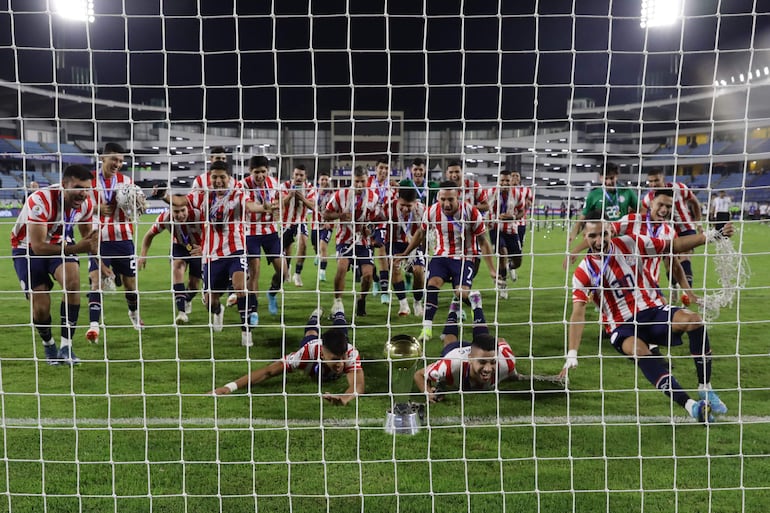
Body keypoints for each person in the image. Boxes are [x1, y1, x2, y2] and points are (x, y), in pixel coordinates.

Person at [560, 210, 733, 423]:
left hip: (652, 311)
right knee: (639, 351)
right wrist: (572, 352)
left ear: (610, 232)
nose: (599, 240)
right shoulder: (583, 272)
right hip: (620, 326)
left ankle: (705, 388)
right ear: (585, 238)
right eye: (592, 236)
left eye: (603, 234)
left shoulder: (630, 242)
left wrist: (712, 235)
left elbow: (672, 246)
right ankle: (691, 407)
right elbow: (578, 312)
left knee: (695, 321)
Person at [11, 164, 98, 365]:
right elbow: (38, 246)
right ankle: (48, 344)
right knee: (41, 306)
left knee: (73, 282)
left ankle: (66, 347)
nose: (83, 194)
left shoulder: (86, 204)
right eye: (78, 187)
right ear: (64, 185)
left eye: (87, 188)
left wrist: (98, 260)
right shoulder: (40, 200)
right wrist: (77, 249)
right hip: (26, 248)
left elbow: (87, 237)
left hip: (60, 242)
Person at [398, 181, 498, 342]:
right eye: (443, 199)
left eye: (450, 199)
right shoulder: (432, 211)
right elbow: (420, 233)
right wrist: (405, 252)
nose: (446, 203)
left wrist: (492, 269)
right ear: (438, 197)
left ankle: (473, 299)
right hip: (441, 256)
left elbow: (483, 241)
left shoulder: (471, 212)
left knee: (461, 292)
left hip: (465, 258)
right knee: (432, 285)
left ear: (457, 196)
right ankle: (427, 329)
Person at [211, 308, 364, 406]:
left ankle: (339, 312)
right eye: (335, 360)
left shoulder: (350, 353)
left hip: (337, 344)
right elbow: (269, 371)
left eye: (342, 358)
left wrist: (344, 398)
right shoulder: (307, 353)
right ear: (323, 355)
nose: (340, 364)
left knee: (342, 334)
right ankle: (315, 317)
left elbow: (358, 385)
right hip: (312, 345)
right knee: (310, 334)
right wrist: (229, 387)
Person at [187, 160, 265, 348]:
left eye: (222, 176)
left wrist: (264, 208)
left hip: (235, 248)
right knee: (209, 302)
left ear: (229, 177)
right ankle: (218, 309)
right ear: (210, 178)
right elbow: (183, 201)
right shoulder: (203, 196)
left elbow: (251, 205)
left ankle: (246, 332)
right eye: (215, 177)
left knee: (240, 288)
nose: (218, 180)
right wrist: (164, 196)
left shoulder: (237, 193)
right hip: (211, 254)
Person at [86, 142, 144, 344]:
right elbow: (78, 205)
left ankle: (134, 315)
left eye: (121, 160)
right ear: (103, 158)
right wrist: (95, 209)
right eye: (114, 159)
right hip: (97, 238)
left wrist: (136, 204)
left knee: (130, 285)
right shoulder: (89, 181)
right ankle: (94, 326)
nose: (118, 164)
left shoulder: (126, 180)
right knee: (96, 281)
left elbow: (134, 209)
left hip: (123, 238)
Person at [413, 290, 518, 401]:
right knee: (449, 343)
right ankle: (453, 309)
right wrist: (428, 393)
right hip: (455, 351)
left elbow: (501, 341)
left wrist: (514, 375)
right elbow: (419, 375)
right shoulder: (449, 366)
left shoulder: (507, 362)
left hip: (479, 352)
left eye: (493, 362)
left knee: (485, 339)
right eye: (482, 362)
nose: (488, 369)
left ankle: (477, 305)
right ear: (470, 358)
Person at [324, 166, 384, 317]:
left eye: (362, 181)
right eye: (356, 181)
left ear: (368, 181)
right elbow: (325, 214)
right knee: (342, 268)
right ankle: (337, 303)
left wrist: (370, 231)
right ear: (352, 180)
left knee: (368, 275)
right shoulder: (340, 195)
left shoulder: (374, 197)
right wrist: (339, 215)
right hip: (345, 239)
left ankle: (362, 299)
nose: (359, 185)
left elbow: (377, 220)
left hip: (364, 242)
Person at [138, 193, 204, 324]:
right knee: (177, 268)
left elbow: (213, 232)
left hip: (198, 249)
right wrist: (143, 255)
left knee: (194, 285)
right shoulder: (165, 218)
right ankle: (181, 313)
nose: (180, 215)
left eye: (182, 211)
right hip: (179, 246)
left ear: (188, 208)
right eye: (176, 212)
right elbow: (148, 235)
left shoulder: (198, 215)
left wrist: (204, 247)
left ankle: (187, 300)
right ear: (170, 210)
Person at [238, 155, 288, 319]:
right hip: (251, 233)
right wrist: (264, 207)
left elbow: (279, 200)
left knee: (284, 272)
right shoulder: (243, 185)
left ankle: (272, 293)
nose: (260, 176)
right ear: (249, 171)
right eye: (256, 172)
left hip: (271, 232)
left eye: (263, 172)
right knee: (255, 272)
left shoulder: (274, 183)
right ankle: (253, 310)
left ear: (268, 171)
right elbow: (250, 206)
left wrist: (277, 208)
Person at [641, 168, 702, 294]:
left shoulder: (679, 188)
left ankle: (687, 293)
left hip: (686, 228)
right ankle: (674, 287)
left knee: (684, 257)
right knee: (670, 264)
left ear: (663, 178)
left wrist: (699, 223)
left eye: (656, 180)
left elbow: (695, 203)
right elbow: (644, 214)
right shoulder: (648, 198)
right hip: (666, 233)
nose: (653, 184)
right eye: (650, 182)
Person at [567, 163, 638, 252]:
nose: (608, 182)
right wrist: (573, 235)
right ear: (600, 178)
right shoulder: (594, 195)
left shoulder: (627, 192)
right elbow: (583, 218)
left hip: (622, 242)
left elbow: (641, 211)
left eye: (611, 178)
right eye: (606, 178)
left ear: (616, 176)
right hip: (601, 241)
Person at [385, 185, 426, 317]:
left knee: (419, 271)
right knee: (395, 267)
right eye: (402, 205)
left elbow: (424, 233)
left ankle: (417, 302)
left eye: (409, 206)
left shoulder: (422, 210)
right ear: (398, 200)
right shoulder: (388, 208)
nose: (405, 209)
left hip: (414, 244)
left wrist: (425, 251)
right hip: (394, 242)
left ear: (415, 202)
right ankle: (403, 304)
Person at [488, 169, 528, 298]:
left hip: (511, 229)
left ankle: (510, 267)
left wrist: (514, 217)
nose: (504, 183)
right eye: (502, 180)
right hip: (495, 228)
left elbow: (522, 211)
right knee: (502, 253)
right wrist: (491, 217)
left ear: (512, 181)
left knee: (518, 261)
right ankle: (503, 285)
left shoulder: (517, 193)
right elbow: (484, 208)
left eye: (507, 180)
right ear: (498, 181)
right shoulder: (491, 192)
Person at [281, 165, 316, 288]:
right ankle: (288, 268)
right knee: (286, 250)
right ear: (293, 175)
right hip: (286, 222)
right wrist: (289, 196)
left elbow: (313, 206)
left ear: (305, 176)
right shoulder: (284, 186)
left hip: (301, 221)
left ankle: (297, 274)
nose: (299, 177)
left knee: (303, 245)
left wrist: (303, 199)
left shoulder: (310, 188)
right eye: (296, 175)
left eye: (301, 175)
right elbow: (279, 203)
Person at [368, 157, 396, 303]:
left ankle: (385, 291)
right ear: (376, 169)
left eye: (387, 168)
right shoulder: (367, 183)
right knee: (367, 256)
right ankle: (375, 280)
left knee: (382, 253)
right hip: (366, 223)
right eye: (381, 168)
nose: (384, 171)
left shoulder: (392, 187)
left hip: (383, 223)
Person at [310, 171, 334, 282]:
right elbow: (309, 203)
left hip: (327, 225)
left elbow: (335, 209)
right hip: (315, 224)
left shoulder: (332, 194)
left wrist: (329, 220)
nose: (324, 181)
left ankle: (322, 272)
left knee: (323, 246)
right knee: (316, 247)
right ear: (318, 181)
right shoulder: (313, 192)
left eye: (326, 179)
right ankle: (318, 255)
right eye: (322, 179)